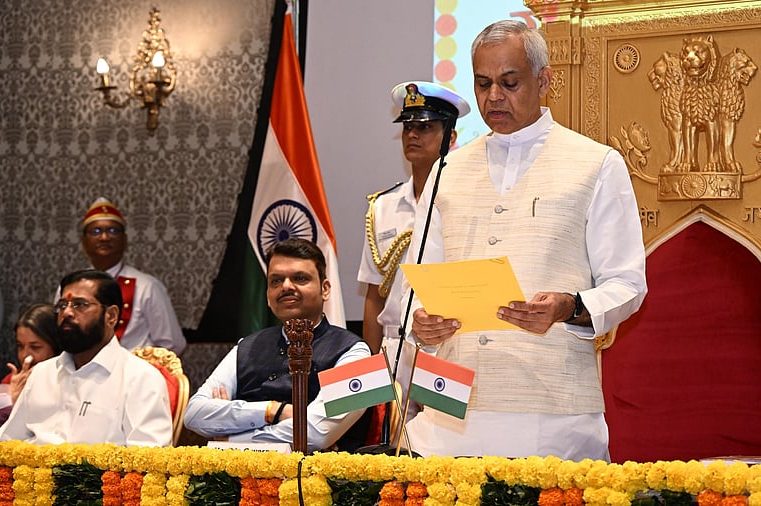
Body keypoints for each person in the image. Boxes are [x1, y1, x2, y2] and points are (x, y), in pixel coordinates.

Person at [404, 20, 648, 462]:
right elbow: (419, 285)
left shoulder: (596, 164)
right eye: (483, 84)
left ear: (544, 80)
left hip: (551, 413)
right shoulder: (447, 172)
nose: (494, 96)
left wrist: (568, 306)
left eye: (509, 82)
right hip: (447, 411)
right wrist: (422, 325)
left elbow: (627, 284)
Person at [184, 238, 372, 452]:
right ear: (267, 295)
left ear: (325, 289)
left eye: (300, 278)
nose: (286, 286)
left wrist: (230, 441)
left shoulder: (358, 353)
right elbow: (194, 414)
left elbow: (314, 434)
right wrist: (273, 411)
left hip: (318, 480)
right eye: (276, 280)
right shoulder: (247, 346)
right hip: (238, 478)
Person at [358, 81, 469, 421]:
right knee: (385, 449)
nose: (413, 135)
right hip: (393, 347)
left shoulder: (467, 203)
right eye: (408, 127)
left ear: (450, 137)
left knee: (444, 445)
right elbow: (375, 296)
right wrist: (371, 363)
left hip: (447, 345)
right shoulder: (384, 207)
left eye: (426, 127)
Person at [0, 270, 173, 446]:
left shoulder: (140, 379)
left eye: (79, 305)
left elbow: (149, 460)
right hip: (30, 472)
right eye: (62, 305)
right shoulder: (42, 373)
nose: (67, 313)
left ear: (110, 316)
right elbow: (7, 442)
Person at [63, 197, 185, 354]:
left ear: (125, 240)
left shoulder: (146, 286)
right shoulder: (70, 286)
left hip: (134, 375)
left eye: (113, 231)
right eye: (96, 231)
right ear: (84, 241)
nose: (104, 237)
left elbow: (172, 345)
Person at [3, 304, 61, 404]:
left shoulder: (68, 385)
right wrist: (10, 400)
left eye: (35, 347)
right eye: (20, 346)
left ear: (56, 347)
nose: (25, 356)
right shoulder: (11, 381)